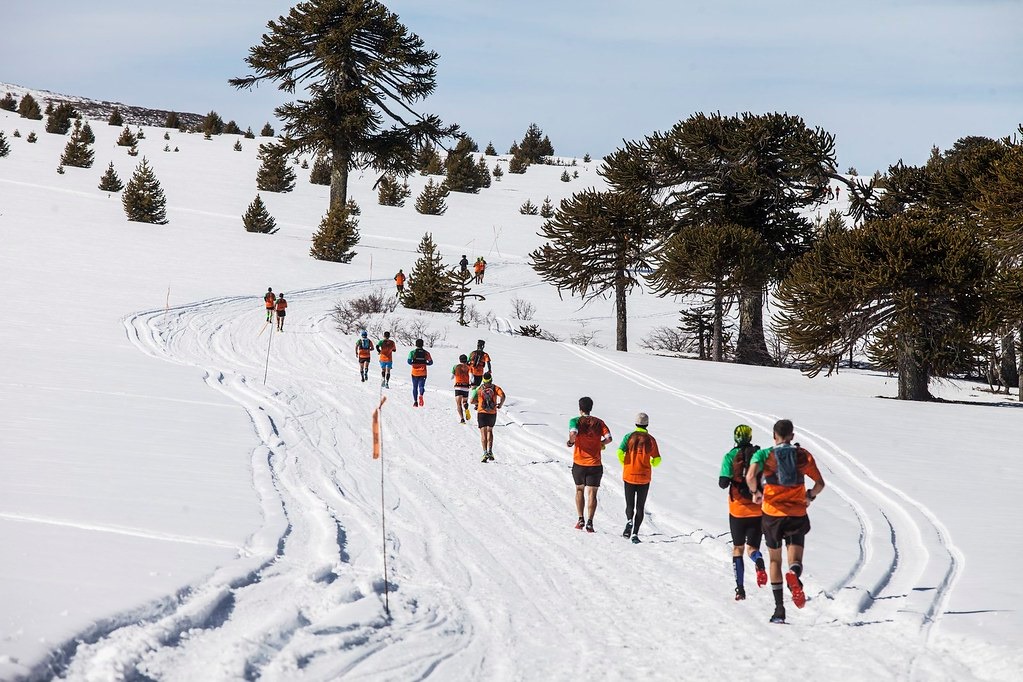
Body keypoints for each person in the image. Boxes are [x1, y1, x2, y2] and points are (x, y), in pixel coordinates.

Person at [745, 419, 826, 624]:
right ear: (792, 435)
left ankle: (779, 610)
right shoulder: (802, 455)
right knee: (795, 558)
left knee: (774, 560)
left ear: (774, 436)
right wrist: (810, 496)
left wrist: (756, 493)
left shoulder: (764, 454)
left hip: (772, 514)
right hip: (797, 512)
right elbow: (819, 483)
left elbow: (751, 476)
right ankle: (793, 573)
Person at [718, 424, 767, 601]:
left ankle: (740, 589)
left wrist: (733, 477)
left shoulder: (730, 456)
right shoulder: (759, 455)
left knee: (738, 549)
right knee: (752, 548)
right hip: (757, 508)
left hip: (737, 511)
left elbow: (722, 483)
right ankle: (759, 561)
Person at [567, 397, 612, 533]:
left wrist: (570, 442)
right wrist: (601, 444)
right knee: (592, 493)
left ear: (580, 408)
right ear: (591, 408)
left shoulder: (575, 421)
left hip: (580, 462)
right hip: (595, 464)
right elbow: (609, 438)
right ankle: (590, 522)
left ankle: (580, 519)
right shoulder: (599, 422)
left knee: (579, 490)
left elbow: (573, 433)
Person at [617, 412, 661, 543]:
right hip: (644, 476)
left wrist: (625, 463)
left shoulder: (628, 437)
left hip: (629, 474)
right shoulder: (650, 439)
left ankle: (629, 521)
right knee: (640, 506)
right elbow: (657, 459)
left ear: (635, 423)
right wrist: (652, 463)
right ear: (647, 424)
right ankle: (635, 534)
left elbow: (619, 452)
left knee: (629, 504)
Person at [470, 372, 505, 462]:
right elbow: (503, 396)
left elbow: (472, 401)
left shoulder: (479, 389)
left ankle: (485, 452)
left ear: (483, 380)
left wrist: (478, 403)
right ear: (491, 379)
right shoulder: (496, 388)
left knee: (483, 433)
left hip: (482, 412)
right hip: (492, 412)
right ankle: (490, 451)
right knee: (490, 430)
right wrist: (500, 405)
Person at [407, 338, 433, 407]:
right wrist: (425, 363)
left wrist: (414, 363)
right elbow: (431, 362)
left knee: (415, 387)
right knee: (421, 386)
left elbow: (409, 362)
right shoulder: (426, 353)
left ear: (416, 344)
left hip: (414, 372)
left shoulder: (412, 352)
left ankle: (415, 402)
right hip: (423, 372)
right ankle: (421, 395)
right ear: (422, 344)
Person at [452, 354, 472, 424]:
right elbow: (471, 376)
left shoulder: (455, 366)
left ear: (459, 360)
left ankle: (462, 419)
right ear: (466, 360)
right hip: (466, 387)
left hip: (458, 387)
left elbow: (452, 376)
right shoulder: (469, 367)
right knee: (464, 402)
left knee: (458, 404)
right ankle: (466, 408)